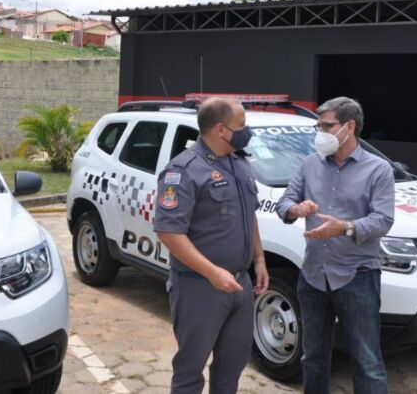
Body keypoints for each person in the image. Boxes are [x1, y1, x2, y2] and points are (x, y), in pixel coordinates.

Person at [275, 96, 394, 394]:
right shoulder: (309, 163)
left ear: (349, 126)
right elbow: (284, 202)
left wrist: (346, 228)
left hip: (358, 276)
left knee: (366, 361)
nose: (321, 132)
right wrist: (295, 209)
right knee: (313, 357)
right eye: (319, 126)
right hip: (314, 275)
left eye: (327, 126)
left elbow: (383, 221)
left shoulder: (378, 169)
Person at [154, 97, 269, 394]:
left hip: (239, 284)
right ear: (220, 129)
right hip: (199, 288)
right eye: (241, 125)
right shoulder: (183, 170)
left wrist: (259, 260)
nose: (246, 131)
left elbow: (249, 214)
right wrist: (212, 273)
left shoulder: (238, 163)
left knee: (231, 366)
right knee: (190, 370)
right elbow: (169, 232)